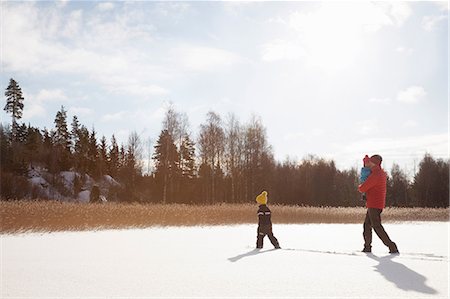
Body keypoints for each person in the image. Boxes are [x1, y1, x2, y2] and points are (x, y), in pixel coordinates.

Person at [358, 155, 399, 254]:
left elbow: (363, 188)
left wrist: (360, 186)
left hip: (374, 204)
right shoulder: (380, 173)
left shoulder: (376, 174)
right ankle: (367, 247)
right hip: (375, 203)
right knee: (367, 225)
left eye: (371, 162)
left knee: (376, 226)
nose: (369, 164)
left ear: (374, 163)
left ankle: (391, 246)